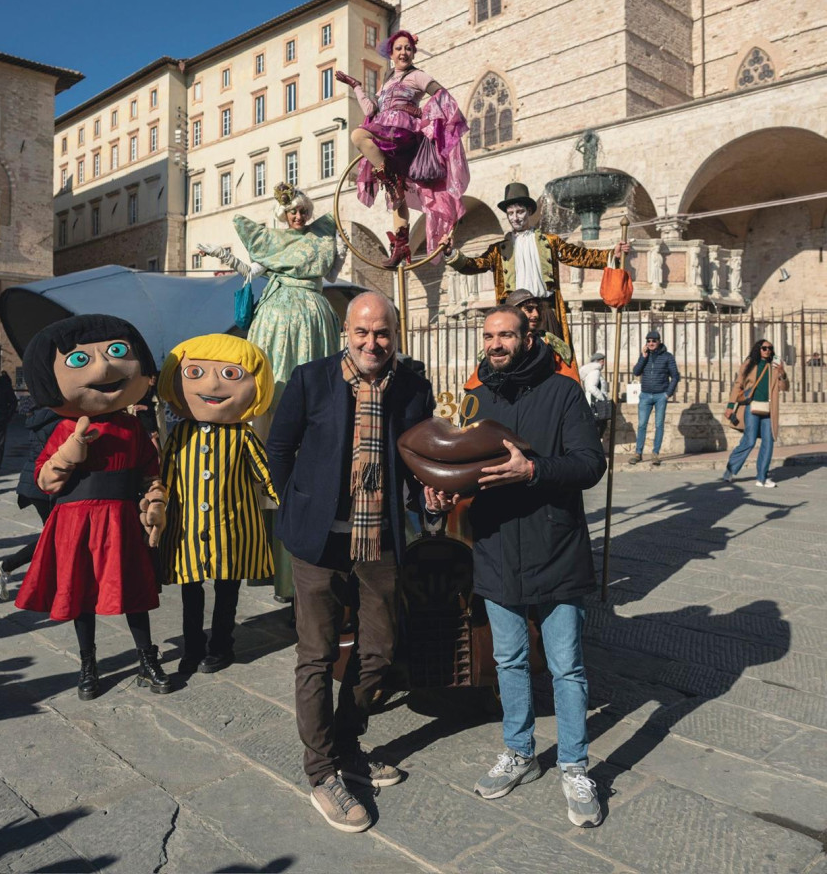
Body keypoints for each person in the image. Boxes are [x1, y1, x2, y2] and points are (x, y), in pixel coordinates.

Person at [426, 306, 606, 825]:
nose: (496, 344)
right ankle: (520, 752)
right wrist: (440, 499)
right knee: (508, 661)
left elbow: (590, 463)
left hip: (556, 546)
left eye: (506, 334)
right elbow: (460, 469)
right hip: (497, 546)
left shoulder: (564, 391)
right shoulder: (476, 397)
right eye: (489, 336)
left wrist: (534, 469)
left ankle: (574, 765)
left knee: (567, 666)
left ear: (529, 338)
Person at [266, 291, 437, 834]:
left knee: (379, 651)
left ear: (395, 334)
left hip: (379, 540)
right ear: (346, 332)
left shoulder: (412, 387)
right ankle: (322, 773)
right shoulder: (311, 379)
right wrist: (299, 501)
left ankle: (346, 743)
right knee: (316, 656)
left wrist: (426, 492)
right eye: (362, 332)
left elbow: (417, 456)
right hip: (318, 544)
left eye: (382, 332)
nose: (372, 342)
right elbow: (279, 447)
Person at [198, 182, 345, 603]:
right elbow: (251, 272)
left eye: (302, 211)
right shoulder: (272, 242)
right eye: (292, 212)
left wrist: (342, 246)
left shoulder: (321, 239)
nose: (297, 217)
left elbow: (331, 273)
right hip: (276, 324)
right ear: (283, 215)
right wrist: (223, 256)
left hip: (313, 319)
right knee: (275, 394)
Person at [15, 315, 171, 700]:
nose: (106, 366)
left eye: (117, 352)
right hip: (74, 521)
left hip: (120, 520)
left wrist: (155, 502)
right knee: (80, 593)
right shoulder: (63, 429)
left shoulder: (132, 428)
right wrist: (68, 453)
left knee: (135, 591)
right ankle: (89, 663)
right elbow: (44, 479)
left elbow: (150, 473)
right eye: (81, 360)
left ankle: (146, 658)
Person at [157, 334, 278, 673]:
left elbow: (267, 475)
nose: (211, 383)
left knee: (228, 591)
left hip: (233, 529)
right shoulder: (180, 434)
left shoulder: (243, 435)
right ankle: (193, 645)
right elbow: (164, 476)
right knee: (190, 591)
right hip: (187, 529)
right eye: (195, 373)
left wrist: (290, 504)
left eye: (230, 374)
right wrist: (154, 507)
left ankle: (222, 645)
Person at [443, 183, 628, 375]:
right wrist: (451, 254)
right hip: (513, 313)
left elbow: (577, 255)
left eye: (520, 212)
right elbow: (474, 265)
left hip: (544, 310)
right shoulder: (499, 249)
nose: (515, 217)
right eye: (511, 213)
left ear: (529, 211)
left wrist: (610, 254)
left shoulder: (549, 241)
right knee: (514, 359)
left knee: (553, 359)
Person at [336, 29, 469, 268]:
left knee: (358, 135)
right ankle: (401, 245)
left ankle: (390, 182)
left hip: (402, 134)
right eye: (399, 48)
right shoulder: (387, 80)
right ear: (391, 53)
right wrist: (355, 86)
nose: (403, 52)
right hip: (387, 135)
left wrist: (426, 115)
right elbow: (370, 111)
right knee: (396, 199)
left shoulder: (417, 75)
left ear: (413, 52)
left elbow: (440, 94)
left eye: (408, 48)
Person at [0, 404, 62, 601]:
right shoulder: (60, 420)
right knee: (55, 536)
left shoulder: (42, 417)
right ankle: (2, 568)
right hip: (43, 485)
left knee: (55, 536)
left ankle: (48, 580)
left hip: (33, 482)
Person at [722, 339, 789, 487]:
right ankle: (730, 469)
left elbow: (784, 387)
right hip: (751, 407)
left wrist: (782, 374)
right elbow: (738, 384)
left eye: (770, 348)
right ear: (758, 349)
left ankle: (762, 477)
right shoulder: (749, 363)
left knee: (768, 442)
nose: (767, 351)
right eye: (764, 348)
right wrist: (730, 406)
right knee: (749, 440)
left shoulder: (774, 366)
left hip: (769, 409)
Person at [629, 331, 679, 466]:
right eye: (649, 341)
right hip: (645, 395)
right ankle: (638, 453)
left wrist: (667, 393)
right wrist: (643, 357)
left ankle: (655, 453)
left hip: (660, 396)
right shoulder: (645, 356)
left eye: (654, 341)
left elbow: (675, 376)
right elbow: (636, 372)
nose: (651, 343)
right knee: (641, 425)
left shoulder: (667, 357)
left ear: (659, 341)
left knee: (659, 425)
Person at [580, 352, 610, 439]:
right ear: (596, 362)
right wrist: (602, 398)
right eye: (601, 361)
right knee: (598, 428)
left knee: (597, 428)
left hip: (594, 403)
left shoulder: (594, 372)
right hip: (596, 404)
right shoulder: (595, 372)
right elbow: (591, 387)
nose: (603, 363)